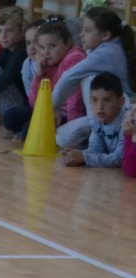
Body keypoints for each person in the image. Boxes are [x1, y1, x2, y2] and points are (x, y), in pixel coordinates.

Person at [51, 7, 136, 148]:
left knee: (60, 138)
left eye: (87, 30)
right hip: (117, 111)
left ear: (105, 35)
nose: (81, 35)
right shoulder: (113, 46)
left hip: (122, 113)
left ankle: (98, 132)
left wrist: (51, 106)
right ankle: (97, 133)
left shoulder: (106, 53)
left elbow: (69, 76)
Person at [62, 72, 130, 167]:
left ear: (121, 102)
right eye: (95, 100)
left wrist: (84, 157)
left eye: (107, 100)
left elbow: (120, 159)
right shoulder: (97, 120)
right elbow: (95, 150)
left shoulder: (128, 122)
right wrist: (78, 154)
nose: (100, 107)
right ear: (90, 100)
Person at [122, 104, 136, 177]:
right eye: (130, 108)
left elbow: (132, 171)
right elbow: (126, 168)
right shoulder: (130, 133)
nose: (131, 113)